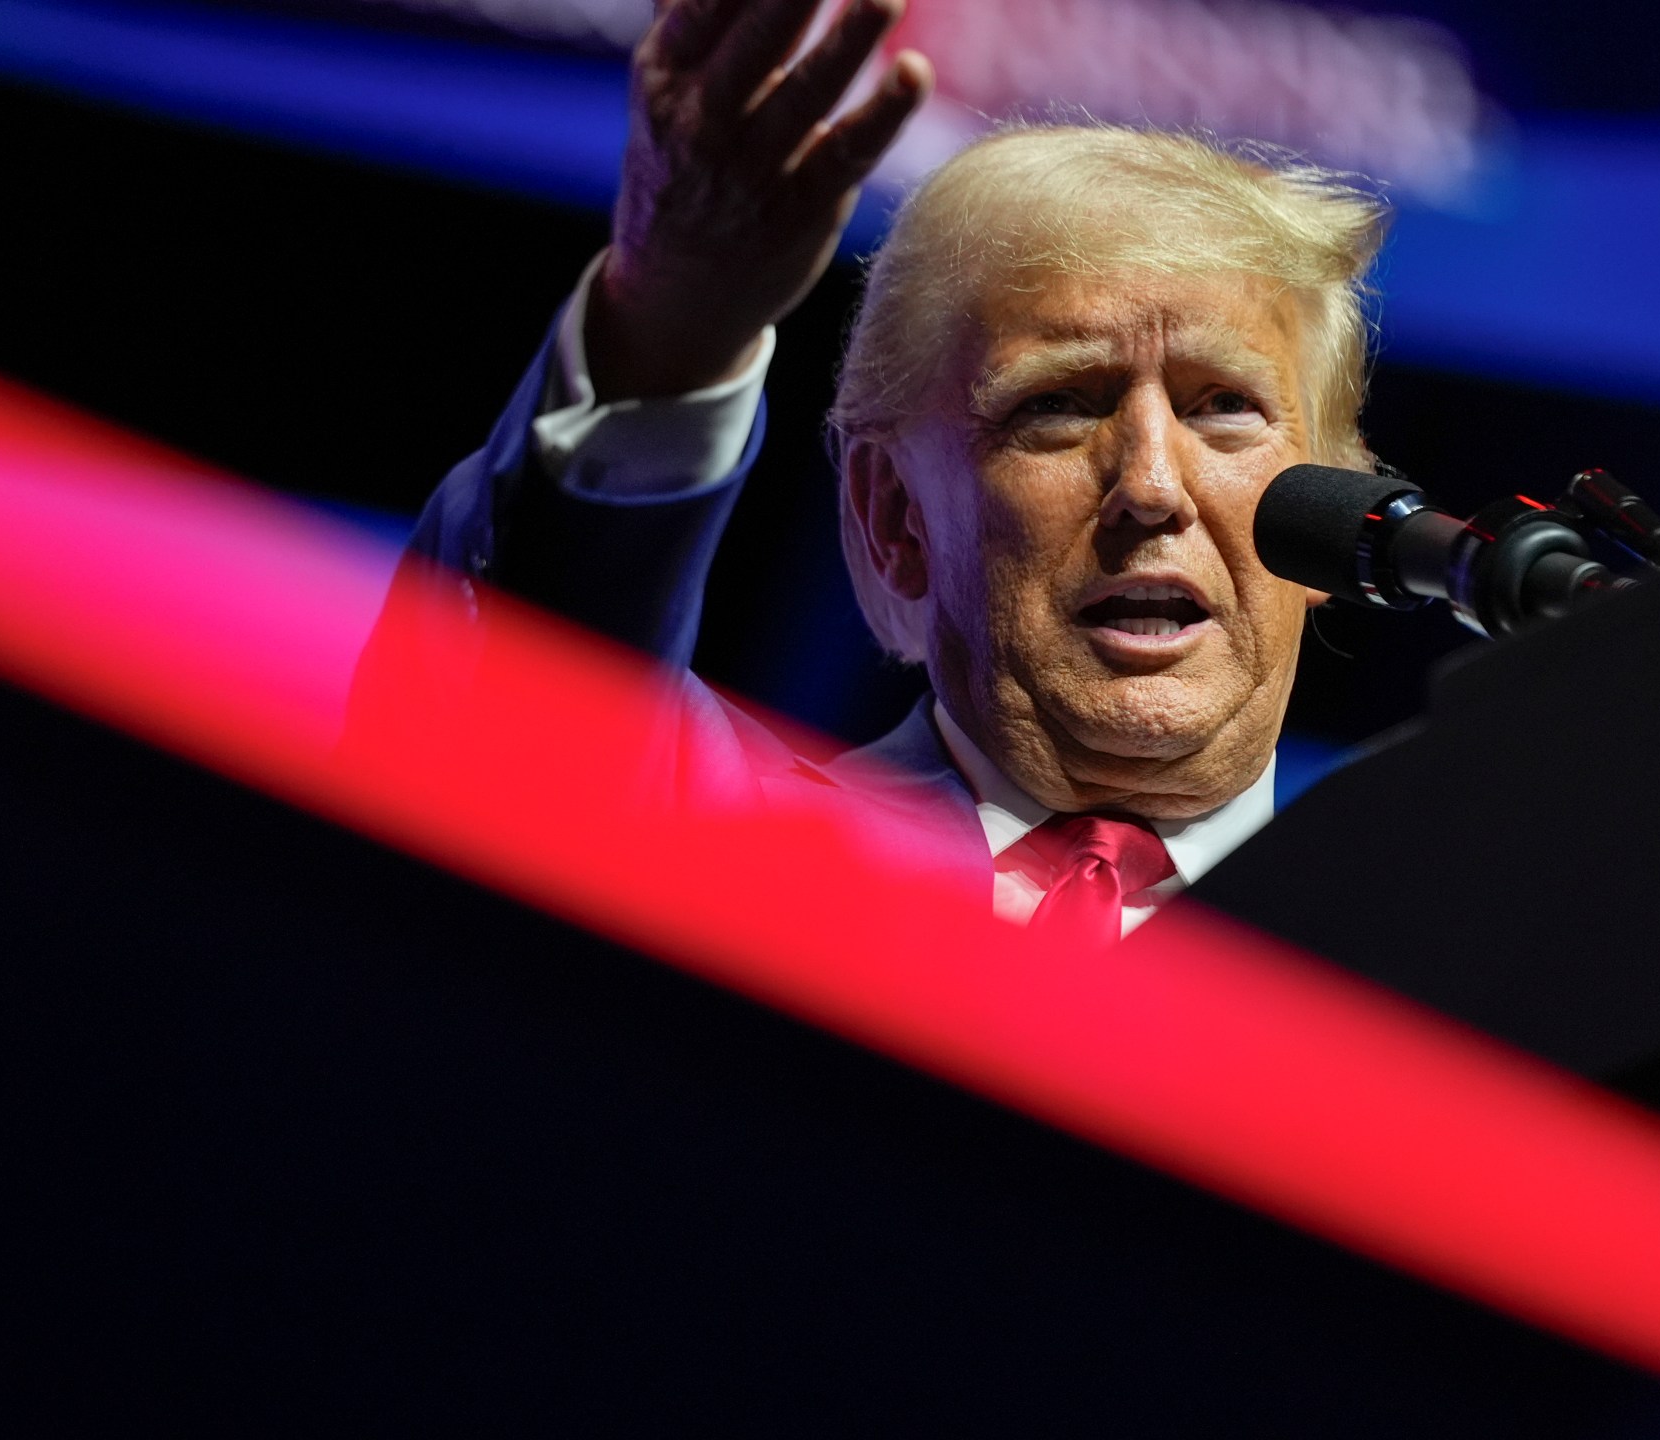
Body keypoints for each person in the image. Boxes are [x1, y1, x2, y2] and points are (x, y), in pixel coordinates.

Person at [357, 0, 1387, 946]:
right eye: (1057, 407)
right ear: (895, 518)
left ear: (1327, 521)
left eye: (1224, 408)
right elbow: (516, 712)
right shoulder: (706, 856)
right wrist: (669, 334)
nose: (1153, 486)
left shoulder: (1435, 968)